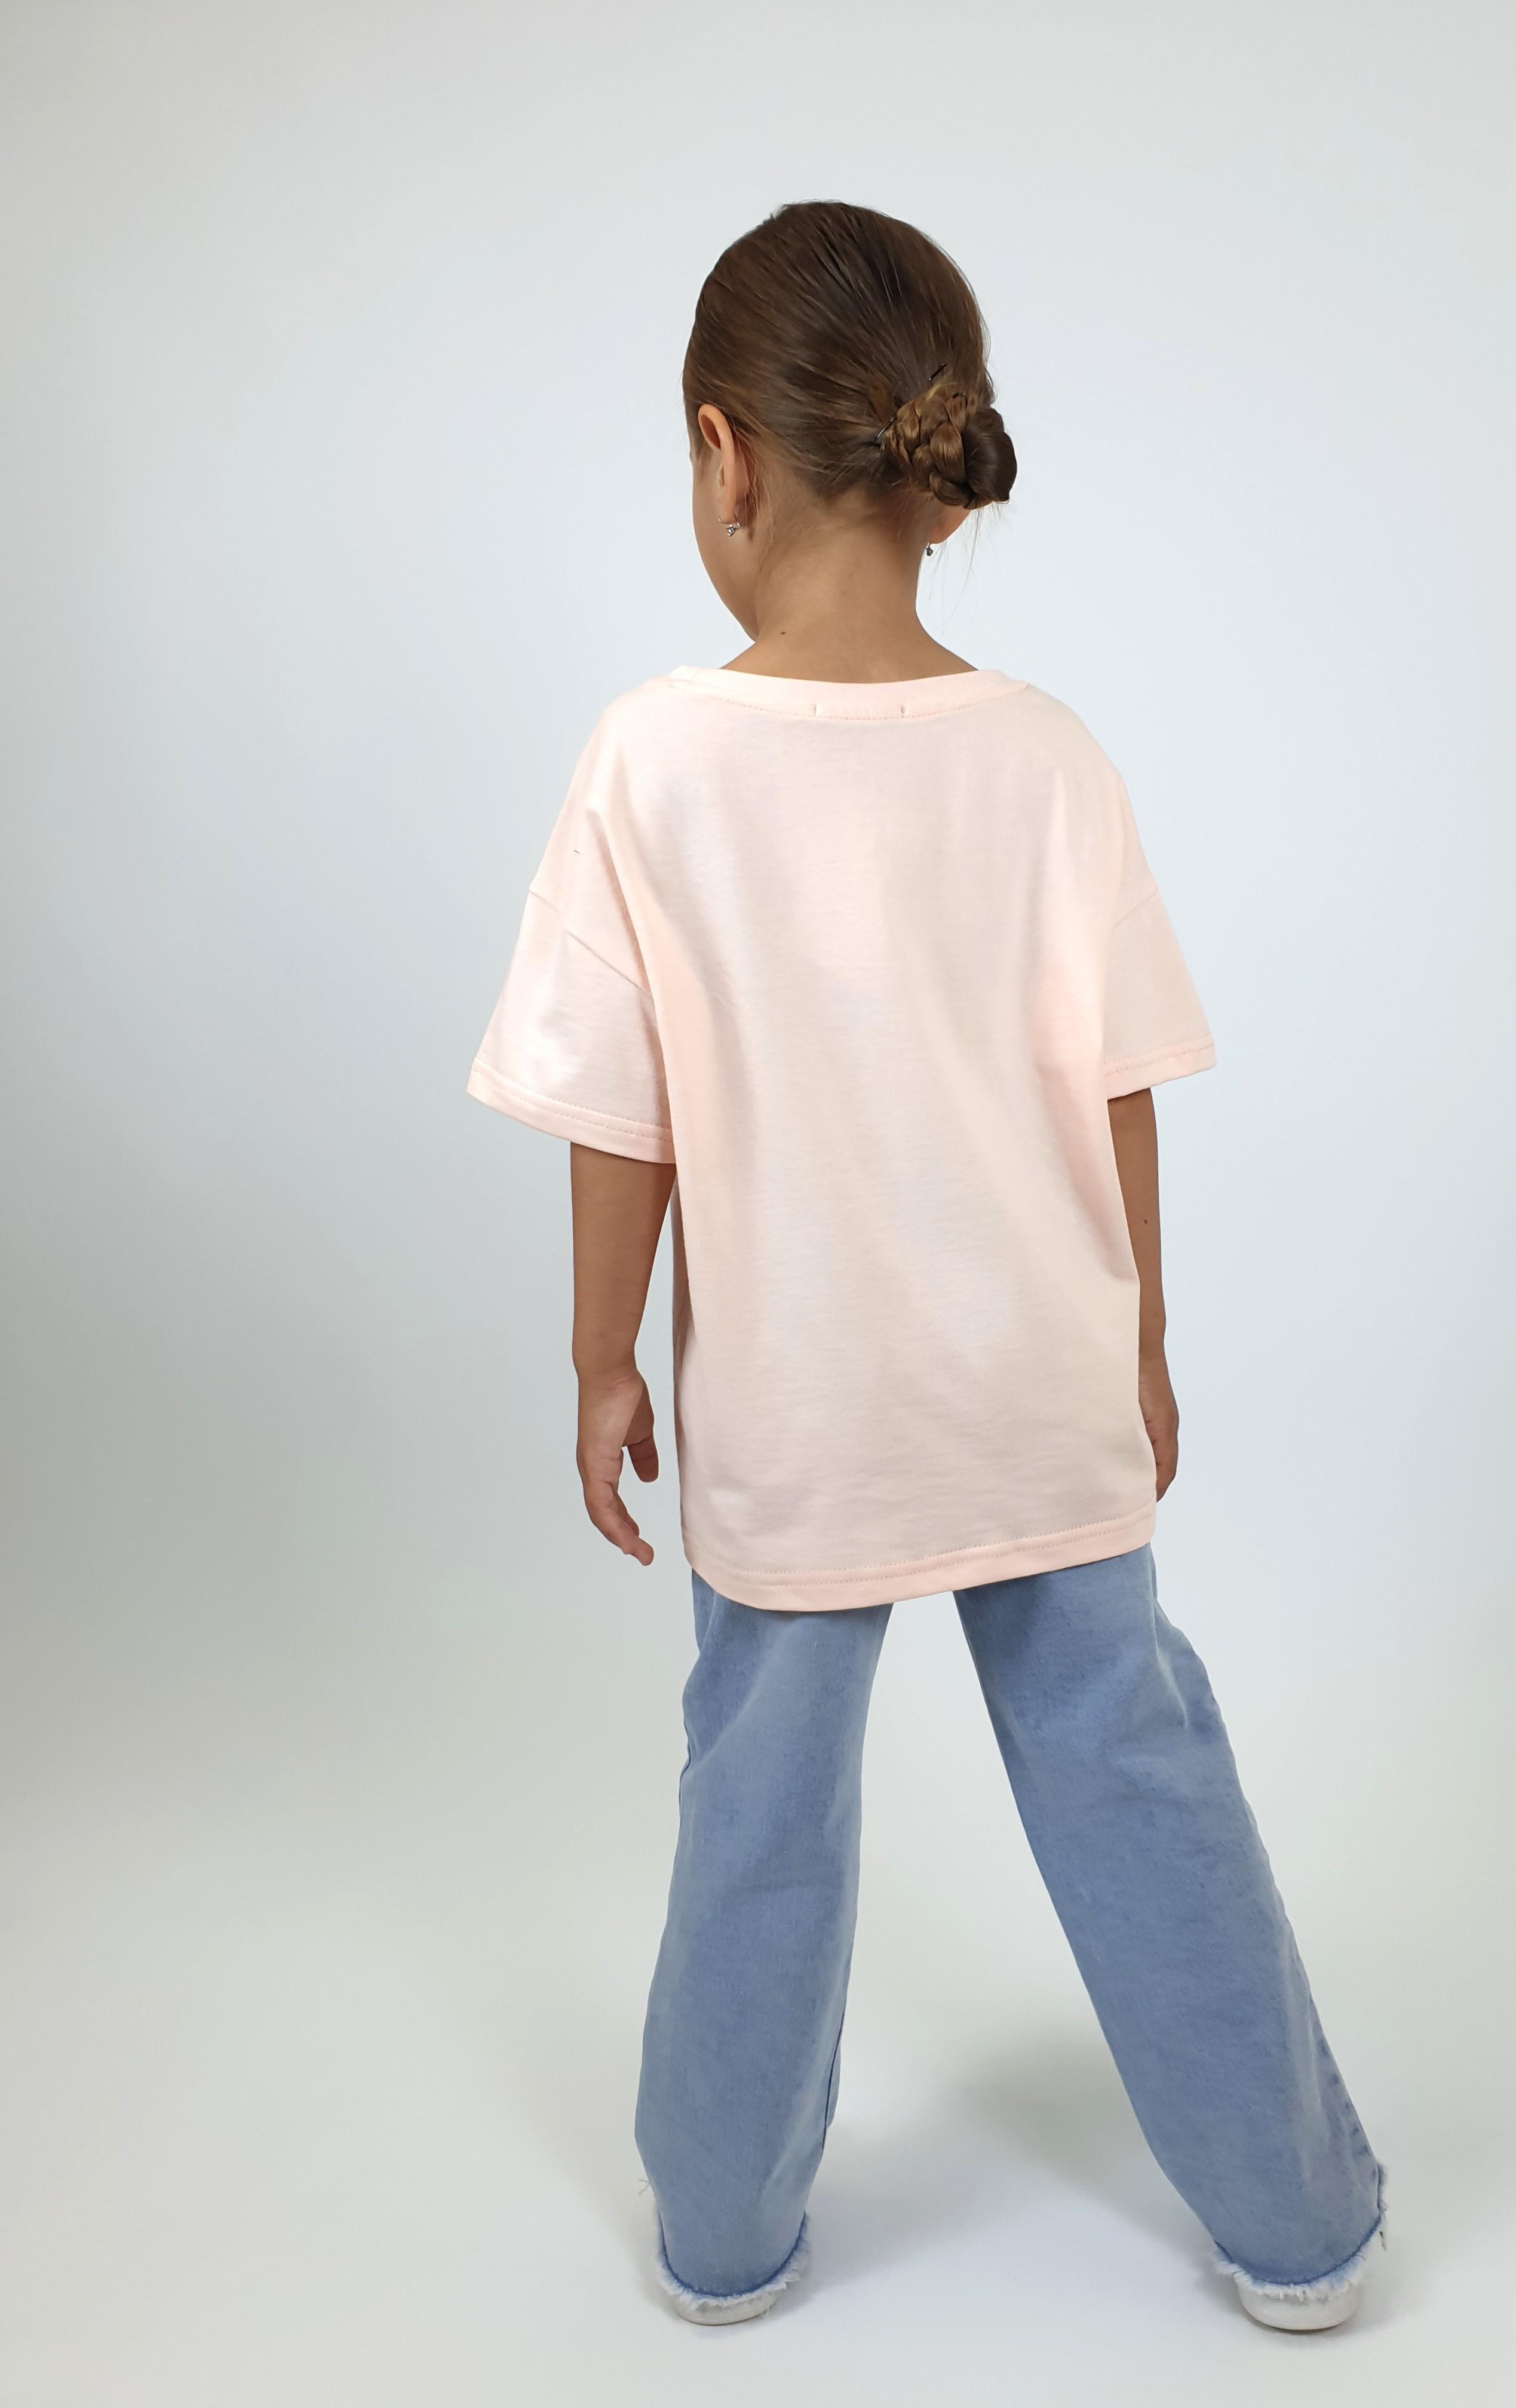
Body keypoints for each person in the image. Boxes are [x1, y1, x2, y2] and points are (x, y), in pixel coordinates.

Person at [467, 199, 1384, 2333]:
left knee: (759, 1809)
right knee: (1139, 1776)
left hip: (800, 1409)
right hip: (1038, 1387)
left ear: (726, 457)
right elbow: (1118, 1084)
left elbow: (623, 1117)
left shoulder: (653, 761)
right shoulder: (1046, 755)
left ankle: (722, 2238)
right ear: (937, 468)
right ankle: (1300, 2230)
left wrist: (603, 1362)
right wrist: (1142, 1342)